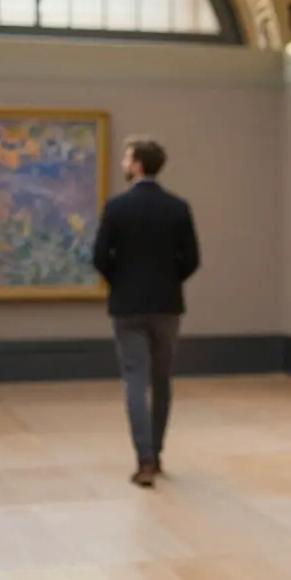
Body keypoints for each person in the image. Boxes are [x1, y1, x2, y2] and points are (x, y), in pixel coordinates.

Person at [93, 135, 200, 488]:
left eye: (126, 159)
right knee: (162, 380)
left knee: (135, 380)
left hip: (127, 306)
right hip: (167, 304)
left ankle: (144, 459)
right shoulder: (177, 207)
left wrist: (119, 280)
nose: (123, 164)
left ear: (137, 165)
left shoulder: (117, 207)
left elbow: (99, 257)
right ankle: (158, 450)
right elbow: (192, 259)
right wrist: (169, 279)